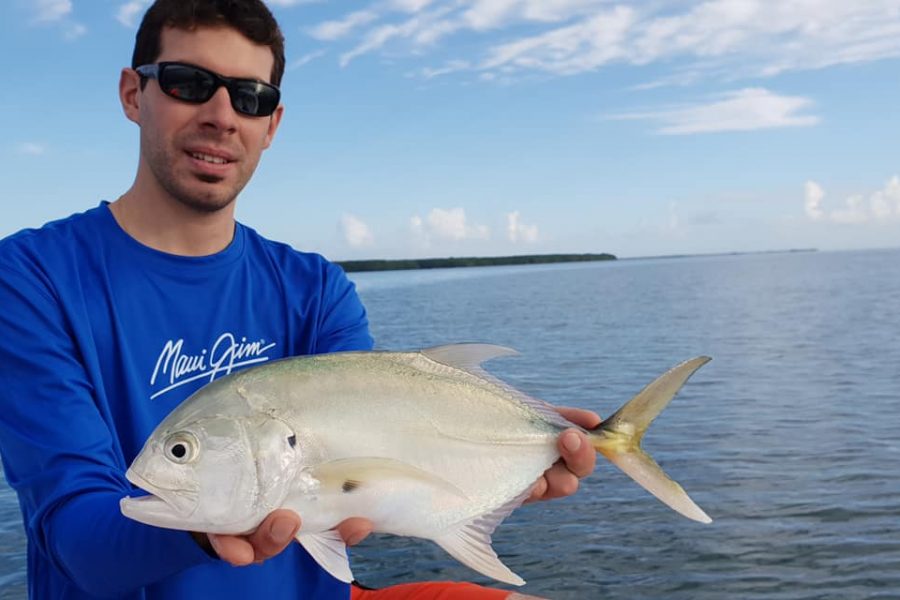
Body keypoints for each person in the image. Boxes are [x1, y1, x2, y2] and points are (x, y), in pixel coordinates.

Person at [0, 1, 599, 598]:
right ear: (134, 94)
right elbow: (75, 538)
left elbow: (365, 474)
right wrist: (212, 526)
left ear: (272, 124)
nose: (221, 116)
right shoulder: (31, 278)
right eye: (188, 84)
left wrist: (499, 456)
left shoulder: (316, 288)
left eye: (250, 97)